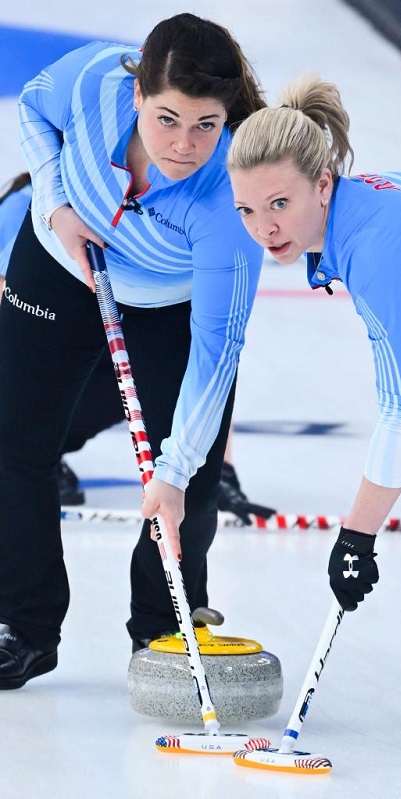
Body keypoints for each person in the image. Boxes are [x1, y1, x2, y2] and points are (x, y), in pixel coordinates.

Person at [226, 76, 401, 737]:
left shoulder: (373, 247)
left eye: (280, 203)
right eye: (247, 210)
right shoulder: (352, 215)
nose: (265, 228)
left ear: (323, 184)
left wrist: (356, 538)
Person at [0, 13, 267, 689]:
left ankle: (161, 626)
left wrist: (172, 474)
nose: (185, 145)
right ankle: (25, 625)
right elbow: (34, 106)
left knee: (194, 466)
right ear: (137, 90)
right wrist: (58, 205)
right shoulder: (96, 80)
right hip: (60, 259)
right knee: (13, 437)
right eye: (168, 118)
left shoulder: (231, 197)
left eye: (207, 124)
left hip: (169, 301)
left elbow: (216, 353)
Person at [0, 172, 275, 517]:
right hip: (42, 373)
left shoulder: (144, 198)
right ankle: (32, 454)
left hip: (101, 356)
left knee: (185, 353)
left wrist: (216, 471)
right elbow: (18, 338)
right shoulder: (24, 204)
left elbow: (210, 358)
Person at [0, 172, 125, 505]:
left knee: (135, 373)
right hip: (25, 355)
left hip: (61, 352)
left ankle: (41, 450)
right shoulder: (23, 205)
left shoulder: (109, 205)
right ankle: (26, 450)